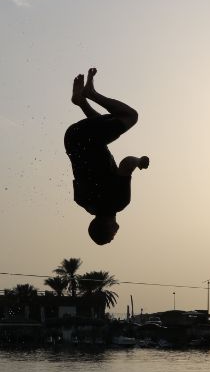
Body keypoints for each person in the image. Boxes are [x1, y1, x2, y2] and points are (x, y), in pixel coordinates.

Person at [64, 67, 150, 245]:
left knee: (130, 116)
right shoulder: (83, 202)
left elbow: (126, 164)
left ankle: (91, 94)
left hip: (87, 139)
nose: (116, 232)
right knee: (105, 128)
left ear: (108, 227)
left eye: (112, 234)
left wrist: (139, 161)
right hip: (73, 140)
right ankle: (81, 101)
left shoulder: (119, 202)